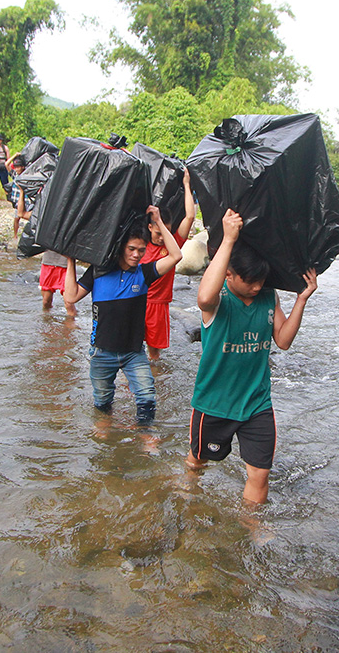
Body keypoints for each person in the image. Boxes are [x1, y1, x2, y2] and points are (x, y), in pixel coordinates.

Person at [185, 209, 318, 505]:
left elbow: (283, 340)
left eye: (261, 280)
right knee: (198, 461)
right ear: (229, 274)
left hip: (257, 403)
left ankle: (251, 531)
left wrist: (301, 299)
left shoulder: (268, 297)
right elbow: (204, 297)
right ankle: (188, 502)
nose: (257, 286)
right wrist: (229, 239)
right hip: (214, 404)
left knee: (259, 474)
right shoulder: (218, 303)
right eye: (250, 281)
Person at [62, 206, 183, 425]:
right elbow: (70, 296)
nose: (137, 255)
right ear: (120, 248)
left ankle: (145, 436)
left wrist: (158, 221)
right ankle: (105, 436)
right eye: (131, 249)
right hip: (101, 352)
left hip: (133, 353)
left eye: (141, 249)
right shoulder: (98, 272)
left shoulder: (144, 274)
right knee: (102, 403)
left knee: (147, 398)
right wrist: (70, 260)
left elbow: (176, 255)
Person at [141, 168, 196, 361]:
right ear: (149, 227)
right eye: (157, 233)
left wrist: (187, 185)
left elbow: (189, 217)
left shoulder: (172, 244)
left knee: (154, 355)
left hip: (159, 305)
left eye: (164, 233)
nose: (161, 238)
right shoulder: (139, 246)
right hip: (136, 301)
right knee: (129, 350)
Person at [39, 250, 77, 317]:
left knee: (69, 303)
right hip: (48, 262)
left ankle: (71, 325)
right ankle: (46, 323)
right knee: (46, 302)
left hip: (67, 265)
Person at [7, 154, 27, 236]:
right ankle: (15, 235)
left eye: (18, 167)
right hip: (17, 199)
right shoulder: (15, 175)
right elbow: (6, 164)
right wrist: (14, 155)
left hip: (25, 199)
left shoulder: (26, 175)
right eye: (15, 167)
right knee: (16, 218)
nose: (17, 169)